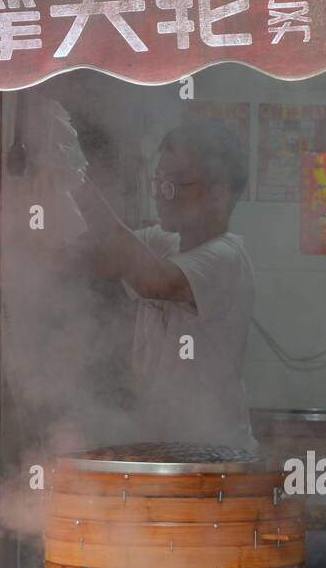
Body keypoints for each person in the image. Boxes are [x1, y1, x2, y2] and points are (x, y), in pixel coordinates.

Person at [73, 115, 256, 448]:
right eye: (157, 184)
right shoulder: (164, 241)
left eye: (172, 185)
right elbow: (101, 253)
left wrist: (77, 177)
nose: (160, 196)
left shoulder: (226, 257)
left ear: (218, 193)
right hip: (163, 443)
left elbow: (154, 280)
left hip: (215, 454)